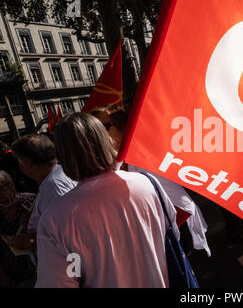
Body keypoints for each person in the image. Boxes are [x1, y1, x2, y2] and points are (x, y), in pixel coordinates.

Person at [35, 113, 174, 287]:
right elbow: (169, 233)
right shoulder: (148, 184)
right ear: (106, 141)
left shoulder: (54, 220)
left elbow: (62, 281)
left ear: (63, 157)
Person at [91, 105, 211, 257]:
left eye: (105, 127)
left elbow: (178, 203)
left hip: (172, 231)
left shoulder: (143, 156)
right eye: (95, 131)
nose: (99, 134)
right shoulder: (106, 165)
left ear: (122, 125)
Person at [10, 134, 77, 250]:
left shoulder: (54, 185)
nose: (20, 167)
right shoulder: (55, 177)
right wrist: (34, 221)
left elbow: (73, 230)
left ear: (27, 162)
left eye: (19, 162)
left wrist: (31, 241)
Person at [0, 170, 36, 287]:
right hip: (12, 272)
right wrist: (3, 276)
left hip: (36, 268)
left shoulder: (30, 202)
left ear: (10, 185)